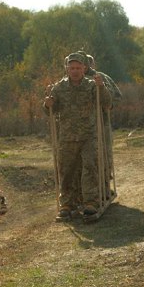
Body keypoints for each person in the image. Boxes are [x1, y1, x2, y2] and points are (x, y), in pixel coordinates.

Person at [43, 52, 112, 220]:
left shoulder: (92, 86)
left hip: (89, 135)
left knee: (90, 167)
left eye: (78, 68)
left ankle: (91, 203)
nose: (74, 71)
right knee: (66, 171)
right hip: (67, 137)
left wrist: (101, 87)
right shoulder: (58, 88)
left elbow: (107, 103)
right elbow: (50, 111)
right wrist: (47, 104)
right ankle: (67, 204)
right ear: (67, 69)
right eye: (72, 68)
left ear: (84, 68)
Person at [86, 53, 121, 200]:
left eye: (88, 62)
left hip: (101, 123)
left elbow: (116, 97)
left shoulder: (101, 78)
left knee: (103, 157)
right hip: (79, 128)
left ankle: (105, 189)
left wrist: (107, 104)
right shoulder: (68, 81)